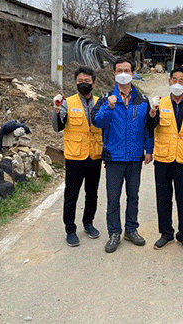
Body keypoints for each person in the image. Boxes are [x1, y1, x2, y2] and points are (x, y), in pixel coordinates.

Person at [92, 58, 153, 253]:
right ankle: (114, 233)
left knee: (133, 196)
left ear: (133, 73)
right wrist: (108, 107)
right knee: (113, 197)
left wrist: (148, 149)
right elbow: (97, 122)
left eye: (127, 70)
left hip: (135, 157)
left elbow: (148, 128)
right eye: (119, 70)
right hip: (114, 157)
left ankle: (131, 230)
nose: (123, 73)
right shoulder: (106, 98)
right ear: (114, 74)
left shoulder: (142, 100)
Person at [148, 66, 183, 252]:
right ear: (169, 81)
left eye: (181, 81)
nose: (177, 84)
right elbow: (150, 127)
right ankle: (166, 234)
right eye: (174, 80)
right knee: (163, 198)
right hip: (163, 158)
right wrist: (152, 113)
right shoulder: (159, 103)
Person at [52, 66, 103, 247]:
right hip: (74, 156)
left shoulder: (99, 102)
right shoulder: (67, 102)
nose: (84, 84)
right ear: (75, 82)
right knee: (71, 194)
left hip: (94, 156)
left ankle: (88, 223)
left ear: (94, 83)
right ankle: (70, 229)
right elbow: (58, 127)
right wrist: (57, 110)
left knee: (92, 193)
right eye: (80, 81)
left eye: (87, 81)